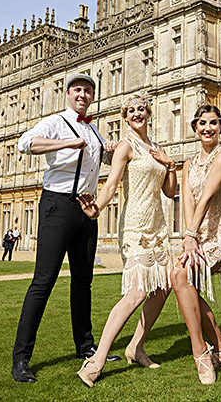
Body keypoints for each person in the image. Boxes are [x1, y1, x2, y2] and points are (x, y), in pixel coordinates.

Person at [11, 73, 118, 384]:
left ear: (92, 96)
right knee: (43, 281)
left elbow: (99, 162)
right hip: (58, 205)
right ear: (68, 94)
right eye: (78, 90)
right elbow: (25, 143)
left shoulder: (94, 130)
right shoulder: (55, 122)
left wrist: (108, 149)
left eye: (88, 91)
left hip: (87, 209)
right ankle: (21, 358)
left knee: (83, 282)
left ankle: (85, 347)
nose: (83, 95)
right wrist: (69, 142)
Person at [75, 94, 177, 387]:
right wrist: (96, 209)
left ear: (149, 113)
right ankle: (96, 361)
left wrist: (170, 165)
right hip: (135, 226)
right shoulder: (125, 145)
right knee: (136, 292)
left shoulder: (156, 148)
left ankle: (136, 347)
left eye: (141, 109)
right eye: (131, 110)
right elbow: (111, 183)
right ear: (125, 116)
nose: (137, 113)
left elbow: (170, 192)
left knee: (163, 287)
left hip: (158, 226)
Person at [169, 104, 221, 385]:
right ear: (195, 128)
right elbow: (187, 202)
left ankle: (200, 351)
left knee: (179, 275)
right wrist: (191, 237)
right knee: (181, 279)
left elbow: (206, 197)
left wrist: (190, 235)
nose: (208, 128)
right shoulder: (189, 164)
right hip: (200, 237)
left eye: (213, 123)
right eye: (202, 123)